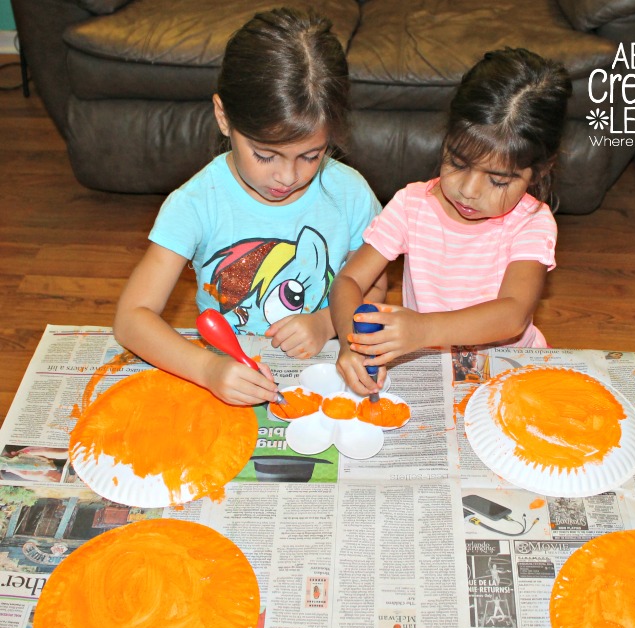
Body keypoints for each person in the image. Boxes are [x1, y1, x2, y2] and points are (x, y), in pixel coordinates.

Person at [114, 8, 384, 406]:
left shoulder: (350, 192)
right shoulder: (196, 203)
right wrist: (208, 369)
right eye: (265, 155)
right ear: (224, 117)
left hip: (324, 368)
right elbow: (131, 318)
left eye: (311, 155)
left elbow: (374, 283)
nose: (288, 177)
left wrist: (326, 322)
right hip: (227, 369)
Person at [330, 48, 571, 395]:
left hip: (509, 370)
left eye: (498, 180)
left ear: (539, 172)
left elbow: (512, 314)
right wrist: (350, 344)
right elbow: (350, 279)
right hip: (429, 366)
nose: (469, 191)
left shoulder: (531, 222)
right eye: (458, 163)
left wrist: (422, 329)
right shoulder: (412, 204)